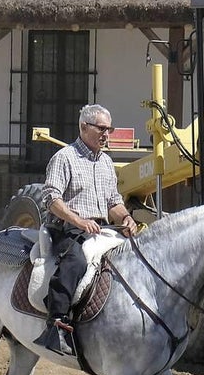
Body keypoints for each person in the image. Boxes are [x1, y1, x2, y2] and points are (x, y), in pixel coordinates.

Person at [36, 103, 137, 355]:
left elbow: (114, 202)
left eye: (109, 129)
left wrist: (125, 218)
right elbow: (51, 198)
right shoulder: (64, 158)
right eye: (101, 128)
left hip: (100, 231)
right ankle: (56, 324)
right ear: (84, 127)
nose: (106, 134)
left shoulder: (106, 162)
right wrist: (79, 221)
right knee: (76, 262)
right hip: (66, 230)